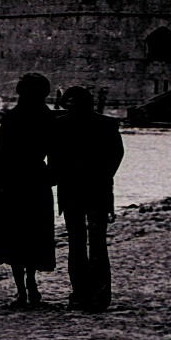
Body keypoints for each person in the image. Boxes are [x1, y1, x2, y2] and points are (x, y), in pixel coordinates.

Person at [0, 71, 58, 307]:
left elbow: (0, 153)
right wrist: (51, 176)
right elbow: (56, 153)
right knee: (34, 234)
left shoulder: (13, 117)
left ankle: (21, 291)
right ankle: (33, 285)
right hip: (37, 180)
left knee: (13, 235)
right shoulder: (49, 117)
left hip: (12, 181)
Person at [51, 85, 124, 312]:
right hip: (97, 190)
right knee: (95, 242)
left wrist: (56, 176)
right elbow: (116, 155)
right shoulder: (107, 124)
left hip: (73, 190)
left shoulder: (60, 125)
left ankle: (81, 294)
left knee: (78, 243)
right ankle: (98, 295)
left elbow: (53, 159)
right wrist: (105, 175)